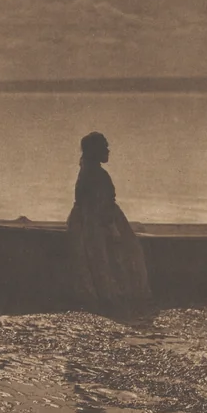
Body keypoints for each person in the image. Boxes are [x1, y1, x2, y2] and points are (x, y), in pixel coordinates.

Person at [66, 132, 151, 309]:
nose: (108, 150)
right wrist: (112, 228)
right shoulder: (97, 174)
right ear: (95, 151)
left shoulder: (87, 170)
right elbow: (103, 206)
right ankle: (120, 297)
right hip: (98, 220)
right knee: (124, 253)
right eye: (104, 147)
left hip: (88, 219)